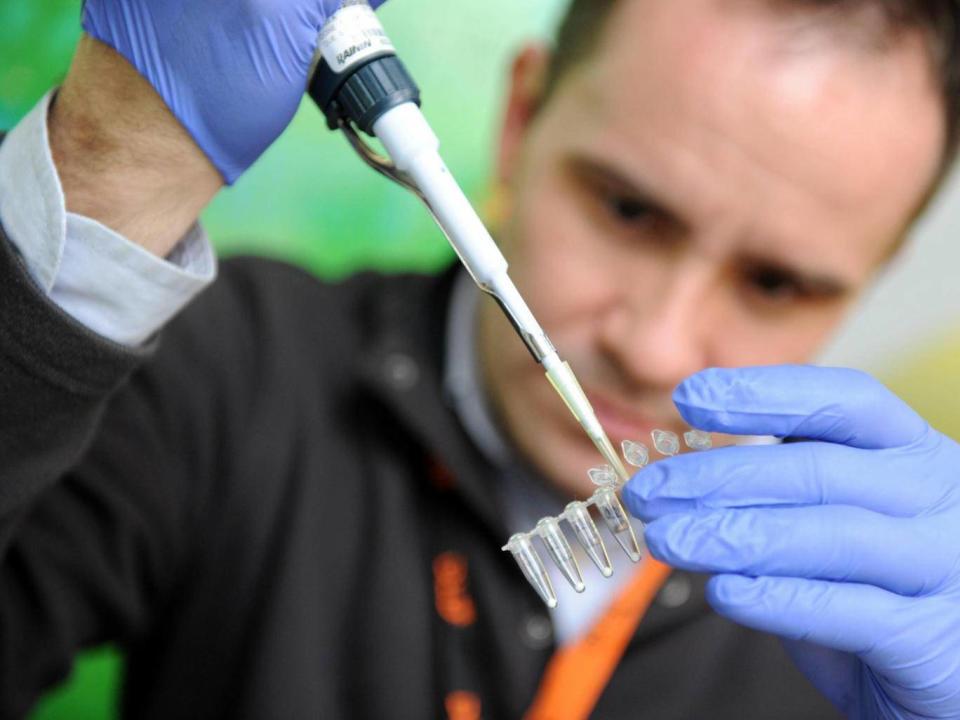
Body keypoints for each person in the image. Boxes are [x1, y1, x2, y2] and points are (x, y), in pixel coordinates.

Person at [0, 0, 958, 717]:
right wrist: (104, 170)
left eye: (777, 284)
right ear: (520, 118)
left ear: (871, 271)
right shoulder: (231, 369)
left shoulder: (870, 633)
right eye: (627, 210)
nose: (654, 345)